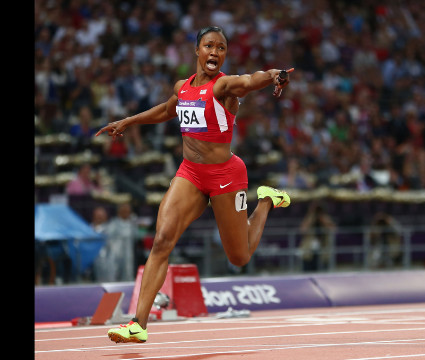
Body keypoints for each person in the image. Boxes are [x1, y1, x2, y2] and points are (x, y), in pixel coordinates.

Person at [96, 26, 294, 343]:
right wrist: (128, 121)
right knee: (162, 240)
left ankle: (266, 201)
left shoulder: (224, 86)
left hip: (226, 176)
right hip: (190, 173)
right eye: (208, 46)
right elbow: (165, 109)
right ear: (197, 51)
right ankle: (138, 323)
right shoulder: (183, 86)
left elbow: (248, 80)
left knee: (239, 258)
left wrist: (273, 75)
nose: (215, 52)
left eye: (221, 48)